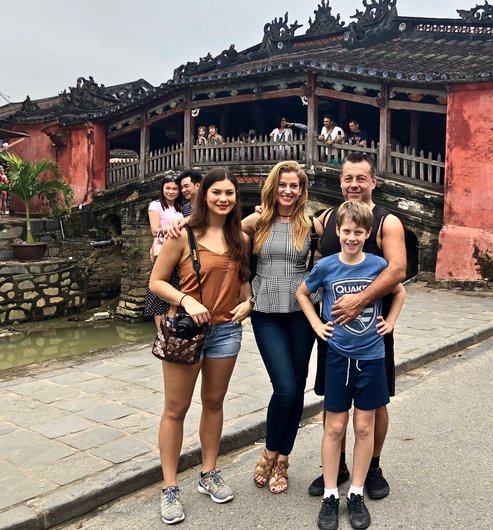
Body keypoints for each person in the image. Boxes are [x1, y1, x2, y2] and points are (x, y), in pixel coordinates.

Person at [149, 168, 253, 524]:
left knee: (213, 402)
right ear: (203, 194)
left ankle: (209, 473)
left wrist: (249, 302)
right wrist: (186, 300)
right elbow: (156, 282)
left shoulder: (241, 237)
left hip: (226, 331)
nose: (224, 199)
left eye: (230, 193)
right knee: (175, 409)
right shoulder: (182, 234)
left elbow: (242, 284)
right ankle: (169, 487)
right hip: (186, 330)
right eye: (217, 192)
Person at [297, 201, 406, 530]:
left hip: (371, 356)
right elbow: (303, 293)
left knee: (363, 427)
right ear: (338, 232)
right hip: (338, 357)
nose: (352, 237)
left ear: (368, 233)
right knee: (334, 427)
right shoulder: (327, 266)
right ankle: (331, 493)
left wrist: (391, 321)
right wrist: (317, 325)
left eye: (359, 232)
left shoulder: (377, 264)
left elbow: (398, 291)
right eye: (346, 231)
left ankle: (356, 492)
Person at [241, 160, 320, 495]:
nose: (288, 191)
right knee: (285, 387)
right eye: (283, 185)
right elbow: (219, 225)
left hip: (301, 311)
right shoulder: (258, 220)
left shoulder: (311, 224)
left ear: (302, 190)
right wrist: (181, 222)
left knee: (297, 386)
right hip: (266, 311)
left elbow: (347, 239)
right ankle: (270, 449)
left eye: (295, 186)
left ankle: (282, 458)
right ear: (273, 186)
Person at [146, 175, 184, 332]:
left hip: (179, 251)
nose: (171, 191)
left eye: (175, 188)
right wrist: (176, 228)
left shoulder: (181, 207)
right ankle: (161, 331)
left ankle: (172, 322)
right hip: (162, 250)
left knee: (177, 284)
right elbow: (155, 230)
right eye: (168, 188)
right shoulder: (155, 206)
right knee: (159, 287)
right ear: (162, 189)